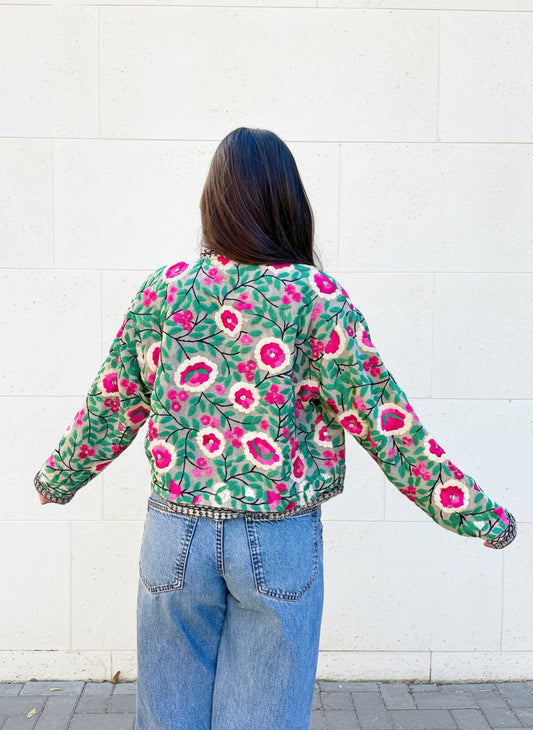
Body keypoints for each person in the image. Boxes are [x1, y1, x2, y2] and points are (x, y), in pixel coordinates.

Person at [34, 127, 517, 730]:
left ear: (213, 202)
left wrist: (58, 478)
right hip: (277, 537)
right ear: (290, 202)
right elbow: (388, 423)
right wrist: (476, 514)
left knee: (167, 719)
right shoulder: (316, 299)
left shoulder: (163, 291)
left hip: (174, 535)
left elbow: (111, 403)